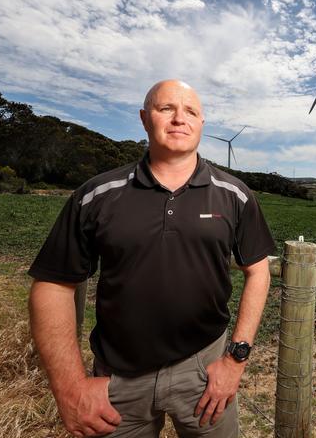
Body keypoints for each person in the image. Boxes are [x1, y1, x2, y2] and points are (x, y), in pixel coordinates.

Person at [28, 79, 274, 438]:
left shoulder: (235, 195)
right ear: (145, 118)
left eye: (190, 111)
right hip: (118, 382)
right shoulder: (96, 195)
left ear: (202, 124)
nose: (179, 118)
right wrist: (70, 387)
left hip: (205, 373)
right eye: (166, 109)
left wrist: (235, 360)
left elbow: (259, 272)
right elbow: (53, 285)